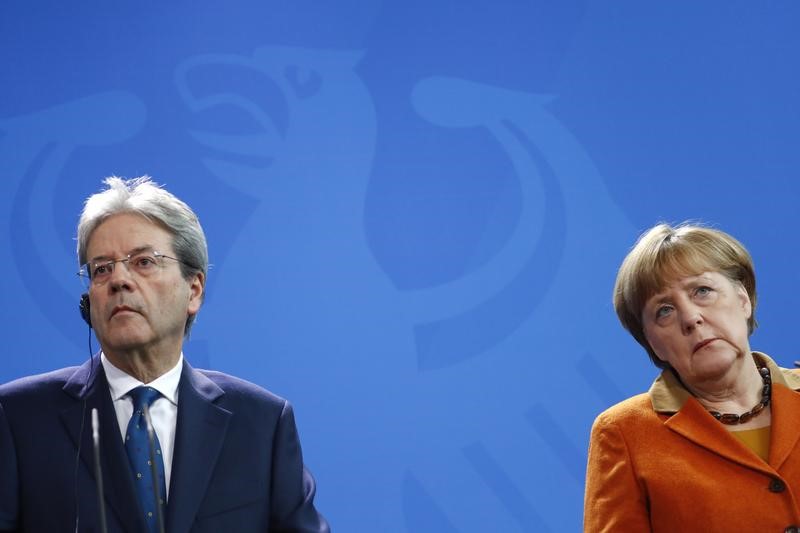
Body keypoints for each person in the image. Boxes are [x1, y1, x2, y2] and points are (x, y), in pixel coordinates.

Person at [0, 176, 329, 532]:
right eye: (102, 268)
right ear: (88, 301)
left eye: (143, 262)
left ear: (194, 290)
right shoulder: (18, 419)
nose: (119, 280)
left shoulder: (263, 424)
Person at [584, 222, 800, 532]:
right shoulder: (623, 433)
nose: (690, 318)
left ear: (743, 299)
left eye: (702, 291)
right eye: (664, 311)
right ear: (652, 343)